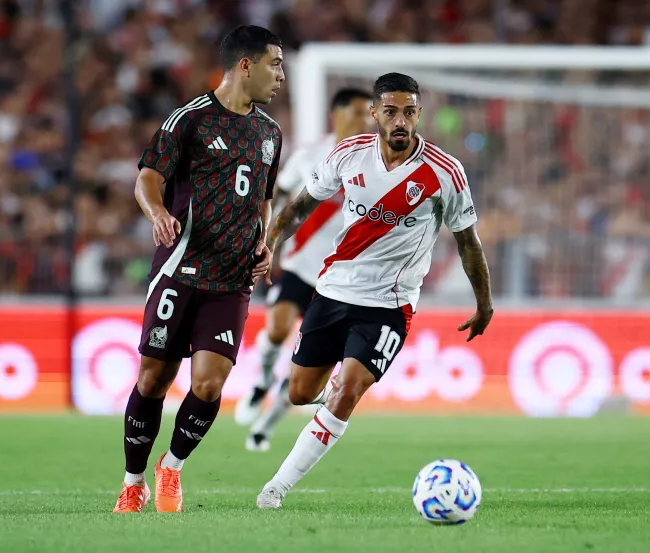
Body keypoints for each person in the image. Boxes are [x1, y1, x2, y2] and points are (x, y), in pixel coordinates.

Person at [254, 73, 494, 509]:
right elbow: (298, 207)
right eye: (390, 111)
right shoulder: (347, 155)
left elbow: (468, 242)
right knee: (300, 394)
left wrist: (484, 303)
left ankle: (276, 488)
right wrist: (268, 245)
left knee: (347, 391)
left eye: (408, 111)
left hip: (388, 304)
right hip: (332, 291)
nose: (400, 120)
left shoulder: (445, 172)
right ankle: (327, 390)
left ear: (418, 114)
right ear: (374, 114)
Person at [113, 25, 285, 513]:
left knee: (209, 384)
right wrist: (158, 213)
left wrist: (264, 243)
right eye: (274, 64)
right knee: (152, 380)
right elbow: (147, 177)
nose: (281, 76)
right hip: (180, 268)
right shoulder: (189, 120)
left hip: (231, 280)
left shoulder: (270, 133)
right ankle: (132, 481)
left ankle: (172, 468)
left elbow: (265, 199)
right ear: (245, 65)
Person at [233, 87, 374, 452]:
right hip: (299, 266)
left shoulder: (376, 161)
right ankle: (261, 383)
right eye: (360, 113)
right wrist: (268, 239)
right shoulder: (311, 155)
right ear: (338, 115)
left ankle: (266, 425)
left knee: (312, 363)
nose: (367, 120)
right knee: (277, 330)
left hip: (340, 277)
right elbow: (278, 194)